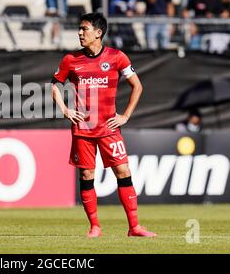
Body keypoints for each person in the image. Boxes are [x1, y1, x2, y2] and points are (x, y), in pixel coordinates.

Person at [51, 12, 156, 238]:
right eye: (79, 29)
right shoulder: (71, 60)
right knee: (87, 175)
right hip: (83, 129)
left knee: (123, 171)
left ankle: (134, 227)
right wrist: (65, 110)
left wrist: (125, 116)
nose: (80, 33)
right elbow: (55, 85)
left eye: (84, 29)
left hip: (109, 128)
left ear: (98, 33)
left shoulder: (118, 57)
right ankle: (95, 227)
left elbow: (137, 86)